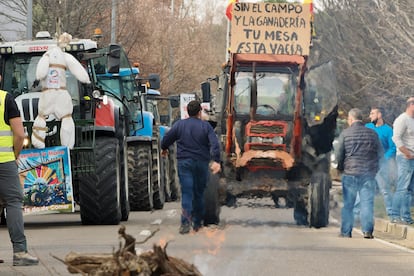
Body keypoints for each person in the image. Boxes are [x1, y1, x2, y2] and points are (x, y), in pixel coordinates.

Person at [161, 100, 221, 234]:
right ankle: (197, 223)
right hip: (201, 163)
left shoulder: (179, 125)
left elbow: (167, 139)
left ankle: (185, 223)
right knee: (199, 193)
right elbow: (215, 144)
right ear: (200, 112)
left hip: (185, 163)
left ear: (187, 112)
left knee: (187, 193)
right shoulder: (206, 127)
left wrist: (164, 148)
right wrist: (216, 160)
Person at [0, 77, 39, 266]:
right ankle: (20, 253)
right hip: (3, 162)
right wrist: (15, 154)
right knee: (13, 202)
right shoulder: (5, 99)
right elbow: (20, 134)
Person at [335, 108, 382, 239]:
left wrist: (340, 168)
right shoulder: (372, 134)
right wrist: (375, 168)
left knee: (348, 204)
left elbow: (339, 154)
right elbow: (380, 153)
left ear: (350, 119)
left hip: (350, 172)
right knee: (367, 203)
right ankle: (367, 231)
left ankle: (346, 231)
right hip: (368, 174)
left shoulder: (345, 133)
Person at [354, 107, 397, 219]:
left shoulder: (388, 130)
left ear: (379, 115)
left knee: (385, 190)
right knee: (362, 188)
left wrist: (383, 159)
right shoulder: (368, 127)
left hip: (381, 166)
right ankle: (355, 214)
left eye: (372, 113)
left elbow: (392, 148)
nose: (370, 116)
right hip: (367, 164)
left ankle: (392, 214)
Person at [390, 97, 414, 225]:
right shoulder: (402, 119)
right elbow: (396, 138)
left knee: (409, 190)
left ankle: (406, 217)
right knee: (402, 188)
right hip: (404, 158)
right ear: (411, 105)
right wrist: (407, 153)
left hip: (412, 158)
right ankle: (395, 215)